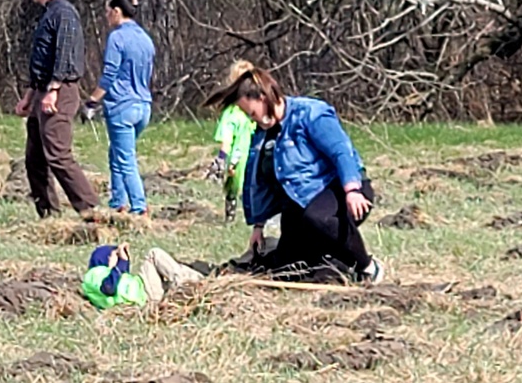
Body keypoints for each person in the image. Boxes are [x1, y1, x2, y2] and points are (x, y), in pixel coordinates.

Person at [202, 66, 385, 284]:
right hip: (299, 204)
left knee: (318, 218)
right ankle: (332, 262)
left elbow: (340, 151)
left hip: (341, 191)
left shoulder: (311, 114)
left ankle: (367, 267)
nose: (255, 121)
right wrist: (258, 226)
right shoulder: (262, 137)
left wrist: (352, 189)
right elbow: (260, 182)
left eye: (253, 114)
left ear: (263, 97)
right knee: (286, 270)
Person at [15, 0, 100, 219]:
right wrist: (30, 95)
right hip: (42, 91)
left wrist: (53, 89)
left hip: (59, 92)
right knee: (35, 158)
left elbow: (64, 55)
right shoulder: (49, 13)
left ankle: (91, 211)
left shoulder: (64, 13)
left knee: (58, 154)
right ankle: (48, 213)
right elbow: (42, 60)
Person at [82, 0, 155, 215]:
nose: (106, 16)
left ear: (116, 11)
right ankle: (117, 202)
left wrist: (92, 101)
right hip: (144, 106)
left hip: (122, 107)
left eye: (107, 11)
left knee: (125, 159)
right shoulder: (145, 38)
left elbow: (109, 74)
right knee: (116, 153)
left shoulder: (117, 37)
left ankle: (138, 206)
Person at [81, 242, 205, 309]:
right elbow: (109, 288)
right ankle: (187, 284)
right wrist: (120, 263)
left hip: (144, 295)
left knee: (179, 269)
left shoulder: (100, 277)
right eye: (115, 255)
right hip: (145, 292)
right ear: (106, 258)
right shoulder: (94, 275)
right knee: (154, 254)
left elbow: (116, 283)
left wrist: (123, 262)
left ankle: (202, 282)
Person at [207, 59, 257, 222]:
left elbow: (226, 139)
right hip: (255, 158)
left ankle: (232, 214)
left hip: (237, 159)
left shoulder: (232, 113)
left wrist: (221, 158)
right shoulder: (255, 111)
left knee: (233, 189)